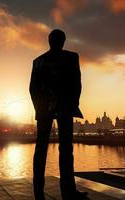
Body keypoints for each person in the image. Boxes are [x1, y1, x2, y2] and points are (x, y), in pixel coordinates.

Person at [30, 29, 88, 199]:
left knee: (45, 149)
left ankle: (41, 192)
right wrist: (71, 104)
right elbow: (77, 84)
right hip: (61, 107)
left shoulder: (39, 61)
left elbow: (33, 89)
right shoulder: (69, 58)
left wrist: (40, 108)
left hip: (54, 108)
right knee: (64, 149)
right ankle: (67, 191)